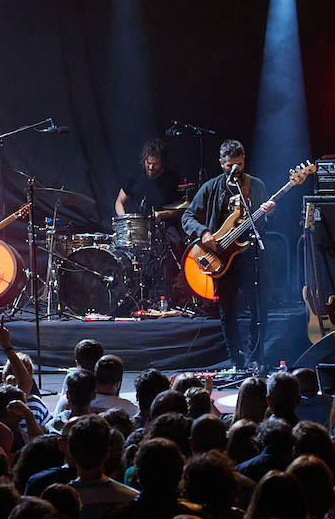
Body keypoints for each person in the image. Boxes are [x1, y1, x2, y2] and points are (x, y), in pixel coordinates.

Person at [181, 140, 277, 370]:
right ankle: (236, 360)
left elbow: (264, 221)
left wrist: (271, 212)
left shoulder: (256, 186)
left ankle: (256, 358)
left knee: (258, 308)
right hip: (221, 257)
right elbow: (187, 217)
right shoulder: (211, 187)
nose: (235, 170)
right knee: (228, 311)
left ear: (244, 160)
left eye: (239, 164)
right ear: (221, 163)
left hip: (249, 254)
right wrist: (203, 232)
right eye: (230, 165)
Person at [115, 138, 185, 301]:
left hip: (164, 224)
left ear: (162, 163)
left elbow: (182, 207)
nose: (151, 167)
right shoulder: (134, 176)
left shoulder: (172, 178)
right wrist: (125, 221)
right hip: (137, 226)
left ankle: (173, 289)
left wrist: (163, 215)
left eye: (155, 164)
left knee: (176, 242)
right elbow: (119, 202)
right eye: (148, 163)